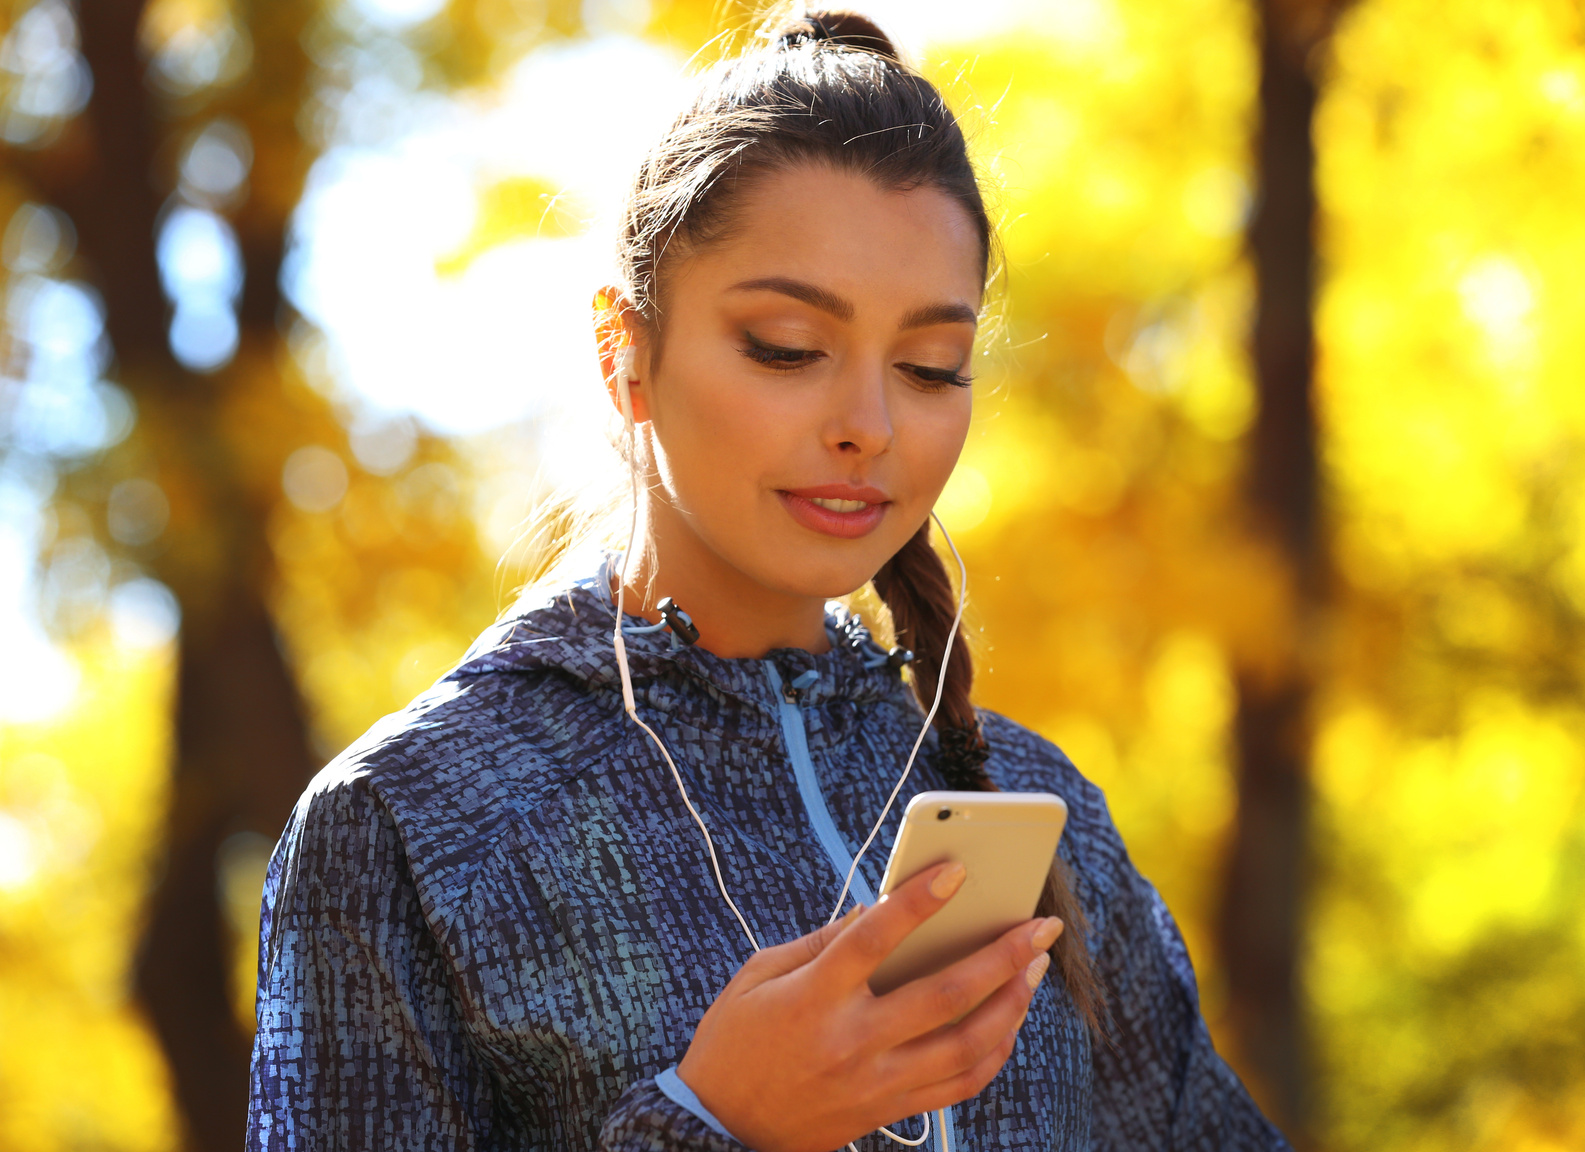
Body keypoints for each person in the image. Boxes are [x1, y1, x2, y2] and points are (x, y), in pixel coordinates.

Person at [247, 11, 1290, 1151]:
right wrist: (711, 1122)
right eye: (789, 347)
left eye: (931, 366)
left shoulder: (1035, 815)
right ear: (625, 354)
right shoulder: (419, 822)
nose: (870, 426)